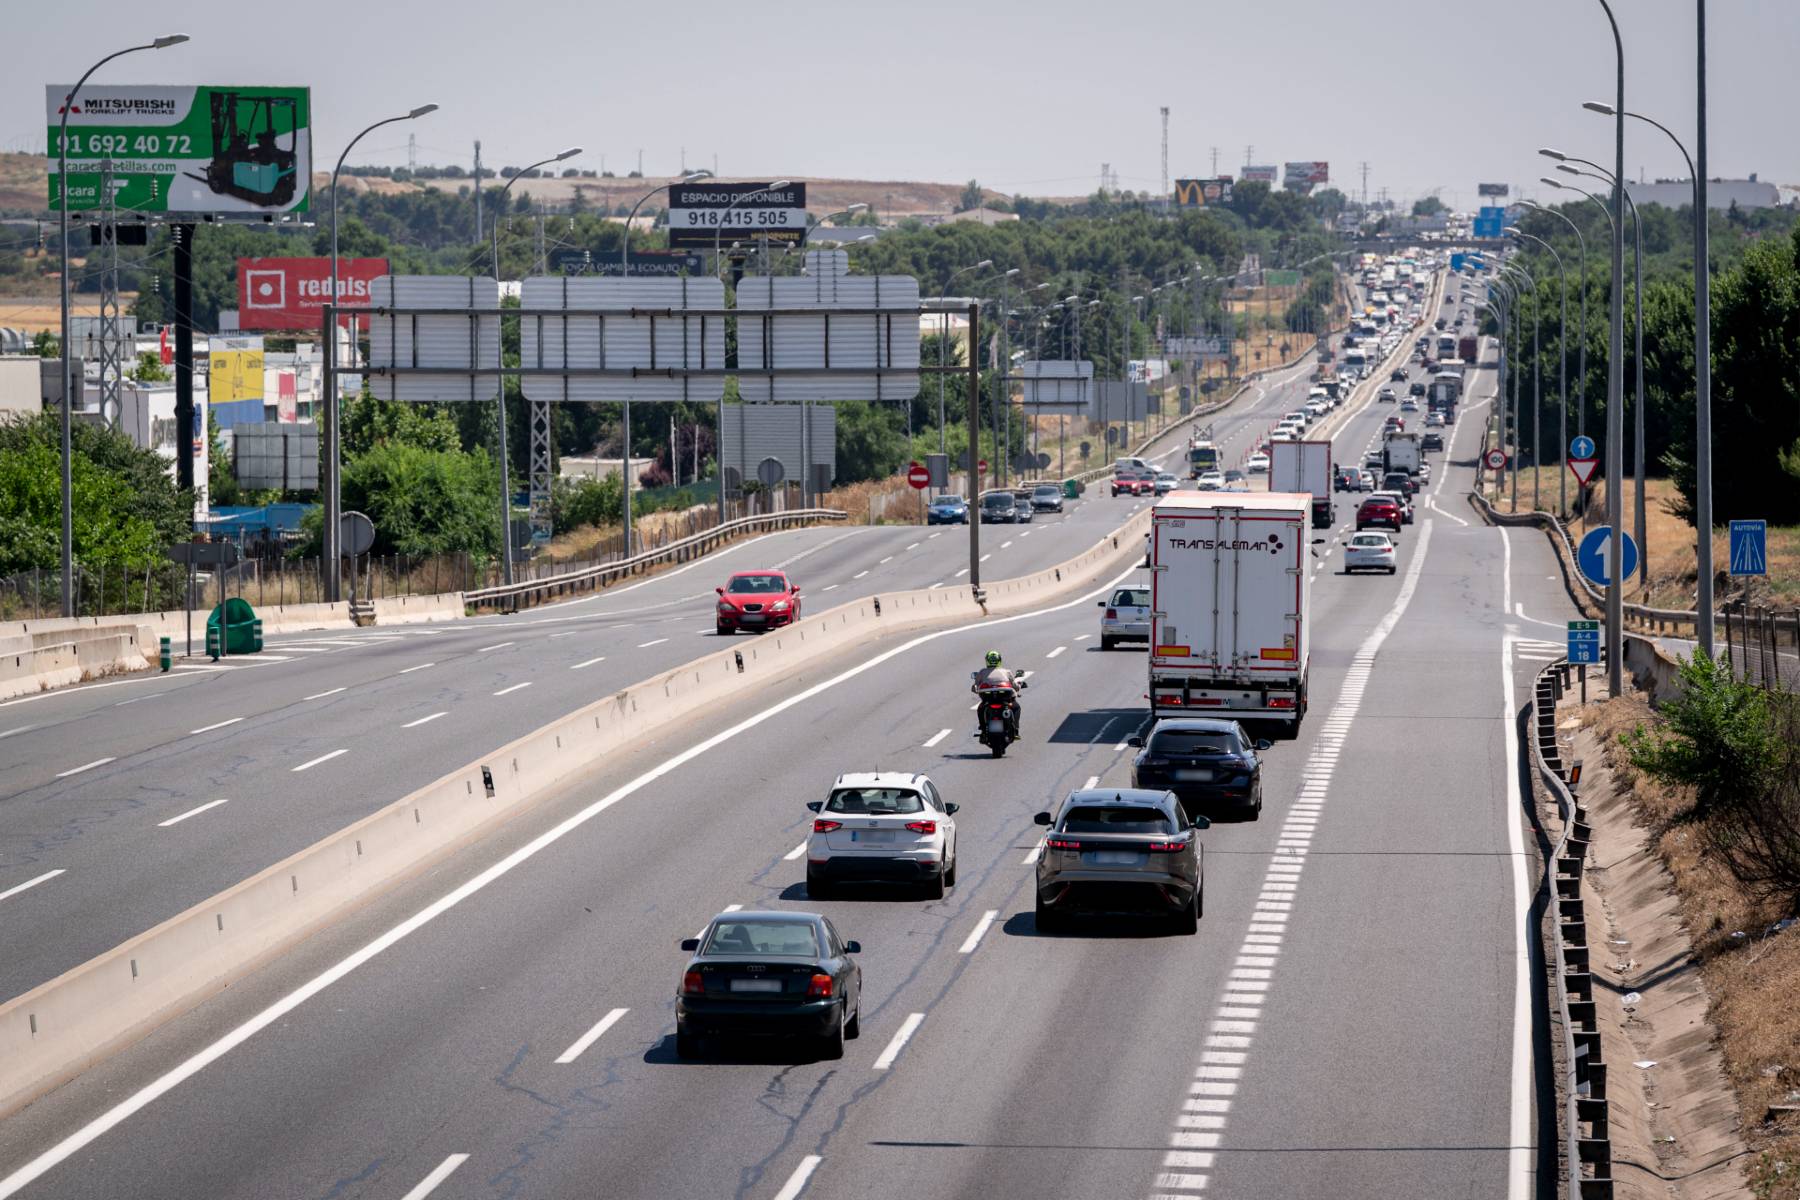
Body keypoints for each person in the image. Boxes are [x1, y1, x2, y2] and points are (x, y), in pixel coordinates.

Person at [971, 650, 1020, 732]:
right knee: (1016, 707)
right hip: (1004, 697)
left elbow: (975, 687)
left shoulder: (982, 672)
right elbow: (1015, 685)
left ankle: (982, 728)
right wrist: (1019, 687)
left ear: (987, 661)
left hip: (988, 698)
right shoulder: (1006, 671)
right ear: (999, 660)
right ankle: (1015, 729)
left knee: (980, 709)